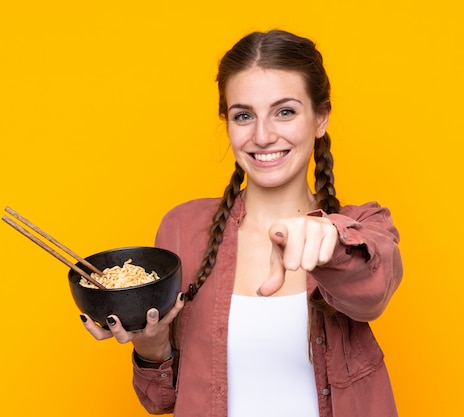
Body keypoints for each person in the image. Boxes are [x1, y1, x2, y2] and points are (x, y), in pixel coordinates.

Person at [81, 29, 403, 417]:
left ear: (321, 118)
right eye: (244, 116)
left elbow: (372, 291)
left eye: (285, 111)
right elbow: (161, 401)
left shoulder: (361, 228)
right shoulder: (183, 228)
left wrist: (329, 241)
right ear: (227, 123)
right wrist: (151, 349)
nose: (263, 136)